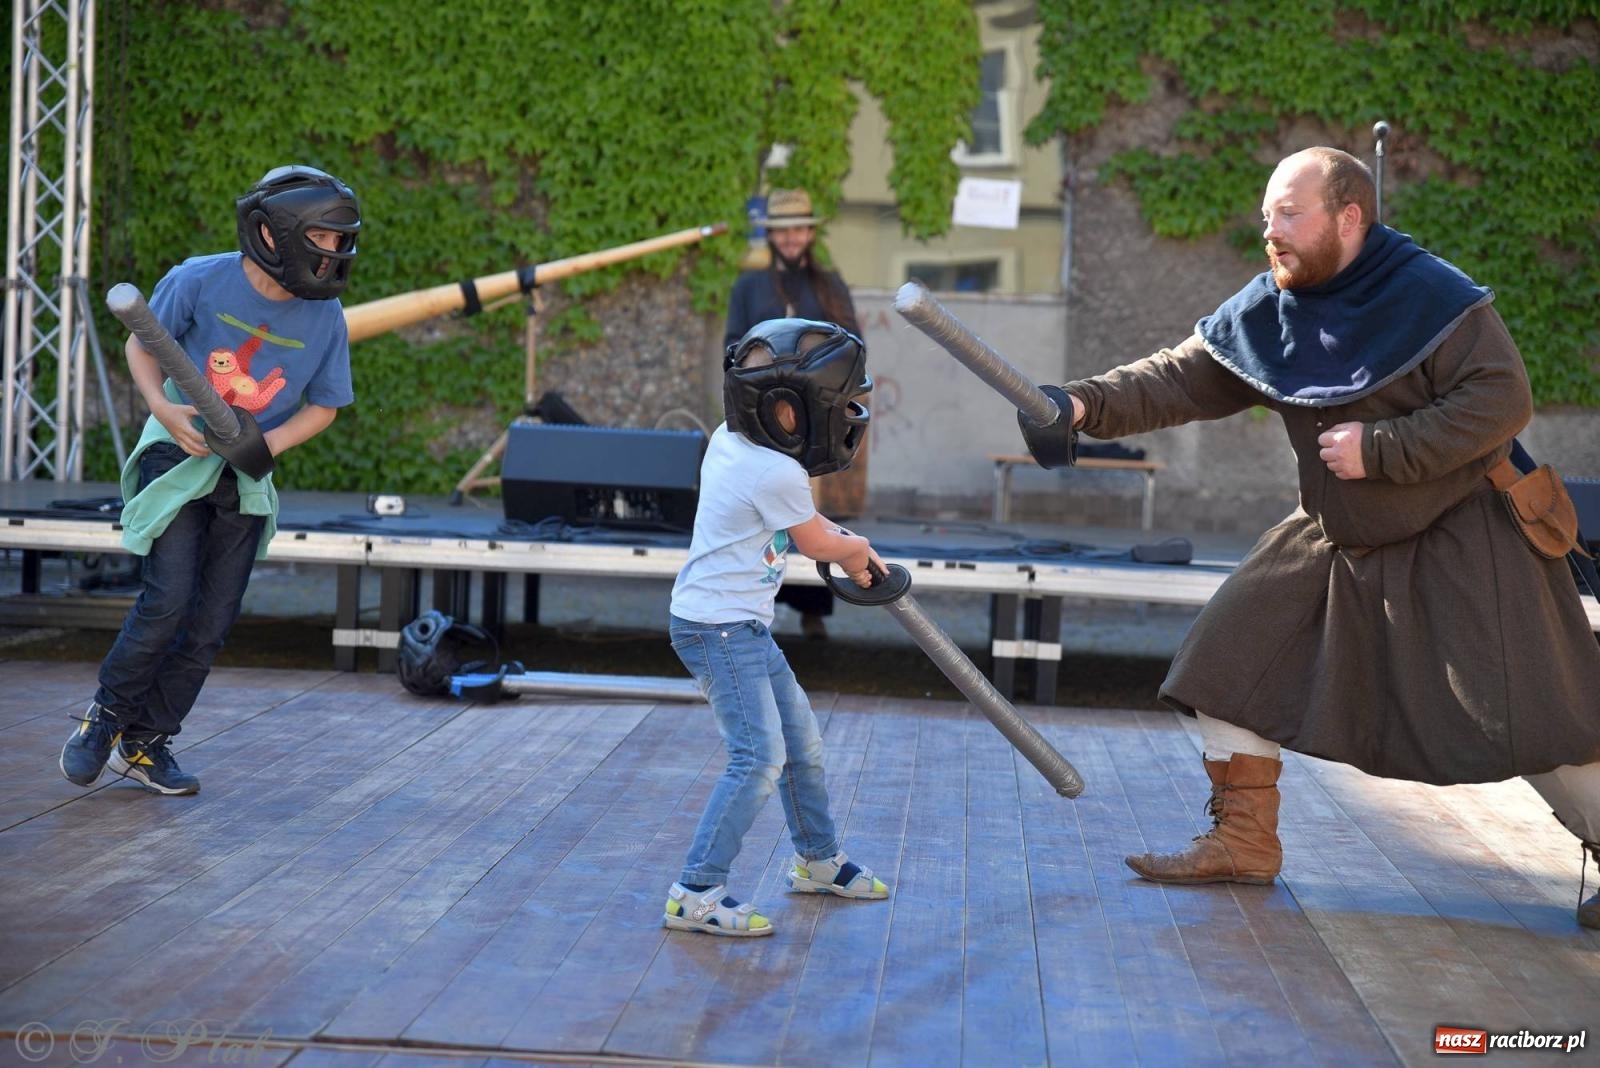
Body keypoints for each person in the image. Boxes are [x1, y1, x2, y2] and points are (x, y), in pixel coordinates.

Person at [1018, 146, 1600, 927]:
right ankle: (1245, 843)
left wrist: (1381, 449)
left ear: (1349, 217)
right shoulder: (1277, 302)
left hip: (1466, 531)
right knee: (1225, 662)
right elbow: (1181, 375)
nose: (1272, 232)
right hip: (1337, 537)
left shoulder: (1436, 297)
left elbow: (1502, 400)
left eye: (1290, 214)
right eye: (1267, 217)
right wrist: (1081, 405)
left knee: (1544, 718)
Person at [59, 164, 360, 796]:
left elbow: (325, 405)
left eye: (341, 240)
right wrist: (165, 410)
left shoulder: (326, 316)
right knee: (168, 600)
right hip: (178, 457)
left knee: (211, 621)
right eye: (327, 238)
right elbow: (142, 345)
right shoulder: (198, 279)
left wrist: (266, 444)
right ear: (276, 234)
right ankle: (104, 719)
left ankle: (146, 743)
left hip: (245, 475)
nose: (336, 252)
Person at [664, 317, 889, 936]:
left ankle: (817, 861)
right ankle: (696, 892)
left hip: (741, 627)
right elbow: (817, 539)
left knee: (801, 745)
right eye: (827, 406)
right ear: (783, 407)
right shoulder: (776, 471)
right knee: (758, 756)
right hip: (719, 630)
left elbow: (816, 533)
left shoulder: (730, 439)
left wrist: (850, 548)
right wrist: (856, 548)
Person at [724, 188, 861, 641]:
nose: (791, 238)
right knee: (757, 511)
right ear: (772, 236)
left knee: (806, 512)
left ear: (809, 233)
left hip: (811, 419)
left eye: (799, 229)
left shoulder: (829, 283)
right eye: (783, 231)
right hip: (760, 416)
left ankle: (812, 609)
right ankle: (758, 605)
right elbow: (733, 346)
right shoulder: (749, 285)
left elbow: (851, 344)